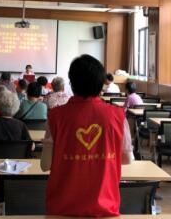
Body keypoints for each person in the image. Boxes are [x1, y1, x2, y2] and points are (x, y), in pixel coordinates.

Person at [41, 55, 134, 217]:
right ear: (101, 84)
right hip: (105, 209)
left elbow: (45, 165)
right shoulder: (118, 116)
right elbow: (127, 159)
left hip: (63, 209)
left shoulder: (55, 116)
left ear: (71, 84)